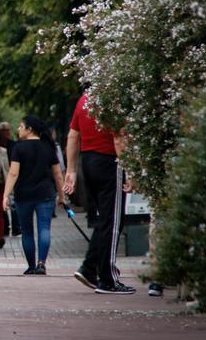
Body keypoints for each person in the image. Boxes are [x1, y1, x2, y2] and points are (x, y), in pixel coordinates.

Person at [64, 94, 135, 294]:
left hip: (89, 161)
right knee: (112, 222)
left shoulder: (83, 99)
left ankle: (89, 268)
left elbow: (73, 135)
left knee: (105, 220)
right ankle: (108, 280)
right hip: (109, 162)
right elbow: (119, 138)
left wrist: (71, 170)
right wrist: (130, 171)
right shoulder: (113, 99)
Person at [2, 115, 65, 275]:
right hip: (45, 194)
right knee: (44, 228)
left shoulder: (18, 148)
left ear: (29, 129)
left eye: (21, 126)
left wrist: (5, 195)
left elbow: (13, 174)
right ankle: (41, 264)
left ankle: (31, 266)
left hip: (24, 195)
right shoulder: (49, 147)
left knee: (27, 231)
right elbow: (57, 174)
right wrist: (62, 196)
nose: (18, 129)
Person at [0, 121, 21, 237]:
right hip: (0, 178)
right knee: (3, 203)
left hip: (13, 176)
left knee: (13, 203)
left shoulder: (14, 145)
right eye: (5, 130)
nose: (7, 133)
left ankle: (16, 228)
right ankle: (5, 227)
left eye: (8, 130)